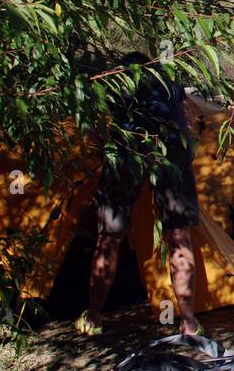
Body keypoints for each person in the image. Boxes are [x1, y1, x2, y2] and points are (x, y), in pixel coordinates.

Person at [79, 52, 203, 336]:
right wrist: (188, 147)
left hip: (127, 151)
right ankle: (189, 322)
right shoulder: (169, 77)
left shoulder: (113, 80)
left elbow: (94, 128)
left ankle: (94, 316)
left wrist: (106, 148)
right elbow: (186, 117)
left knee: (109, 236)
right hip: (171, 151)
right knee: (179, 237)